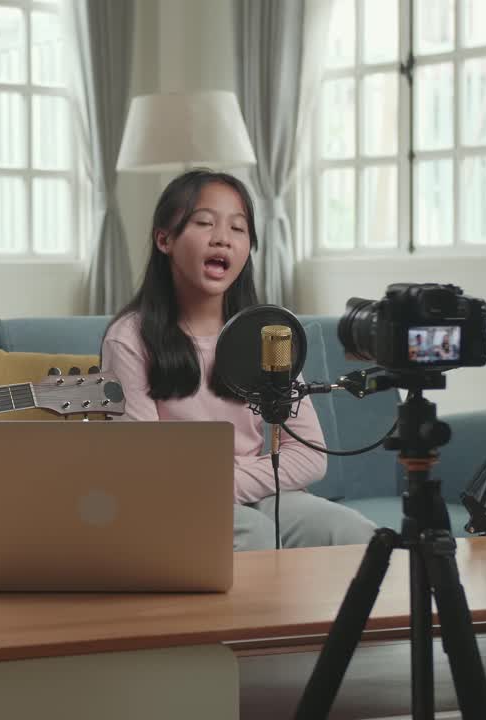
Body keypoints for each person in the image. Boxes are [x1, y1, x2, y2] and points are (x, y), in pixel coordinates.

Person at [99, 170, 375, 551]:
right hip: (170, 501)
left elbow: (310, 456)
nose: (222, 238)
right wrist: (226, 487)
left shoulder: (267, 332)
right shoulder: (130, 338)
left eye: (238, 228)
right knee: (255, 533)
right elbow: (144, 466)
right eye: (204, 223)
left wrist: (227, 481)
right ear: (164, 239)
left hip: (254, 490)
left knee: (355, 534)